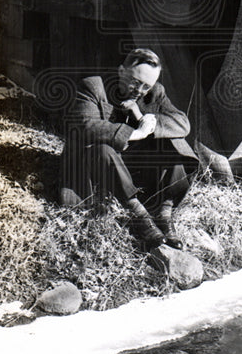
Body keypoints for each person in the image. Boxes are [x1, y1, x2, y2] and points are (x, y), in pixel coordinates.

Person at [58, 48, 198, 249]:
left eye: (145, 86)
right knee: (102, 150)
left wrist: (142, 117)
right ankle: (139, 216)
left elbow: (183, 124)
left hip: (132, 166)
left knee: (173, 142)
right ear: (121, 70)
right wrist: (135, 133)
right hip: (97, 167)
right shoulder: (93, 87)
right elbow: (85, 127)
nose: (139, 90)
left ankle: (164, 214)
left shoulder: (155, 92)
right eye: (135, 81)